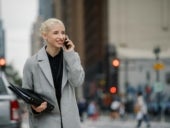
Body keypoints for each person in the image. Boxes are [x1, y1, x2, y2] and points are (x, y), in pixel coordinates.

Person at [22, 18, 85, 128]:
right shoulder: (32, 63)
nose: (61, 37)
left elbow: (77, 81)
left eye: (63, 33)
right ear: (45, 35)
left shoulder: (72, 57)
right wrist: (34, 108)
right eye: (56, 33)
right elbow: (26, 94)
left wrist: (70, 54)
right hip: (44, 122)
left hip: (70, 123)